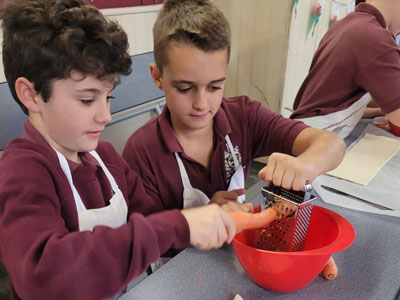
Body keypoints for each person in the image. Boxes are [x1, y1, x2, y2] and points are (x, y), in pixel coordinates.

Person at [0, 0, 237, 299]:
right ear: (31, 95)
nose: (105, 116)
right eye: (88, 100)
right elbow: (42, 275)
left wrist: (206, 221)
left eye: (108, 98)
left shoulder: (107, 159)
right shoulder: (22, 170)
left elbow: (156, 226)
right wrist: (177, 225)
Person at [122, 0, 345, 214]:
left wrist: (306, 165)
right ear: (157, 76)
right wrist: (204, 218)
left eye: (215, 87)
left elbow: (332, 143)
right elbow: (145, 240)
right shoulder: (142, 151)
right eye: (184, 88)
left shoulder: (244, 117)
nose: (201, 104)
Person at [290, 0, 400, 138]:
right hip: (316, 138)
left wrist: (379, 109)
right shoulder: (376, 39)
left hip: (303, 130)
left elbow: (340, 97)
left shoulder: (348, 24)